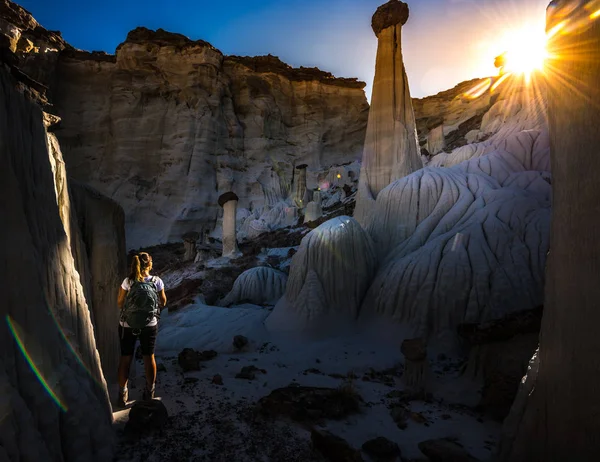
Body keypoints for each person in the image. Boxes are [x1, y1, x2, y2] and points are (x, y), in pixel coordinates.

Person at [116, 252, 167, 407]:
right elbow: (163, 302)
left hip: (127, 325)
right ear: (150, 264)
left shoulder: (128, 281)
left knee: (126, 358)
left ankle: (122, 393)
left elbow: (120, 302)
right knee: (149, 357)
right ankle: (149, 391)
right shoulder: (157, 281)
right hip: (149, 325)